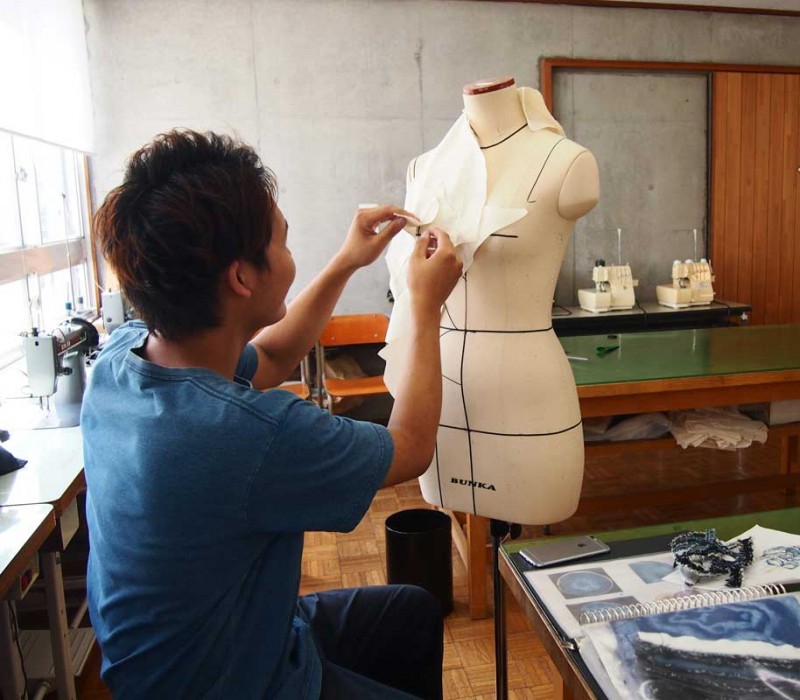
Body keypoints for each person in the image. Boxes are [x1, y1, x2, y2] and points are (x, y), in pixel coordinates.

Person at [82, 129, 462, 699]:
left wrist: (347, 261)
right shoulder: (242, 435)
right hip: (225, 685)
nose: (290, 254)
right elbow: (410, 448)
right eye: (283, 241)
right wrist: (426, 306)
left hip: (202, 643)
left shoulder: (123, 357)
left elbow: (277, 355)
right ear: (241, 277)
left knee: (410, 611)